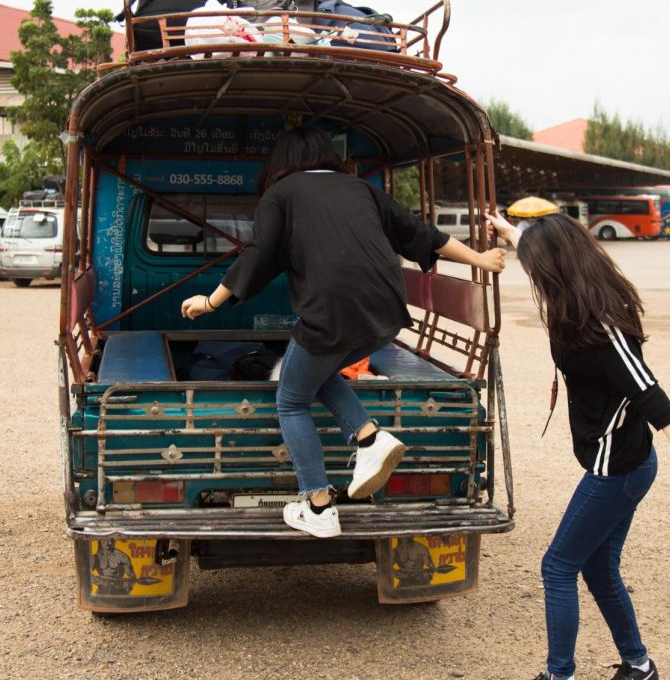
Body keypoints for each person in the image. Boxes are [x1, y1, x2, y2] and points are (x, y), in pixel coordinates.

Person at [181, 126, 506, 538]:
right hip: (385, 312)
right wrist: (478, 257)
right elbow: (421, 234)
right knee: (315, 373)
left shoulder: (280, 194)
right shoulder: (362, 189)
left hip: (332, 312)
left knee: (291, 399)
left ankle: (318, 504)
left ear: (279, 164)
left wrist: (210, 301)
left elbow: (259, 255)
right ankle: (369, 438)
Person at [485, 211, 670, 680]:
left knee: (557, 566)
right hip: (620, 461)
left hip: (618, 469)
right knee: (597, 569)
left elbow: (647, 388)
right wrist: (510, 232)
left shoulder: (601, 327)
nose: (531, 275)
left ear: (556, 269)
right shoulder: (576, 301)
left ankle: (560, 675)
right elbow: (537, 250)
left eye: (534, 266)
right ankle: (639, 665)